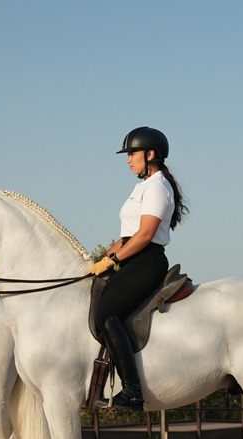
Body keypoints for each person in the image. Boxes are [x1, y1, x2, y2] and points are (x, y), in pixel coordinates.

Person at [90, 127, 188, 411]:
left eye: (132, 153)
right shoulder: (142, 186)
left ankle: (132, 391)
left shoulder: (158, 186)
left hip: (147, 261)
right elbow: (126, 236)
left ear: (151, 154)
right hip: (132, 256)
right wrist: (100, 259)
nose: (128, 159)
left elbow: (144, 235)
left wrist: (114, 260)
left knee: (106, 314)